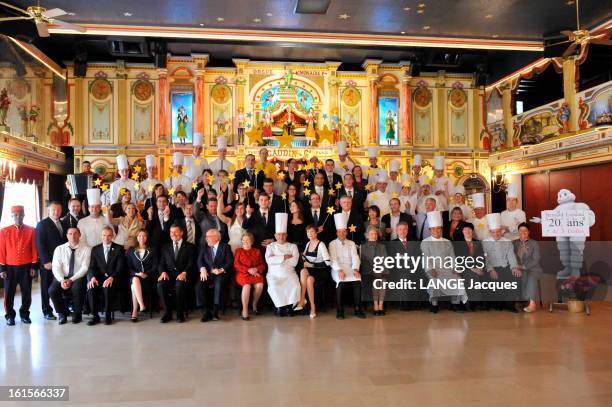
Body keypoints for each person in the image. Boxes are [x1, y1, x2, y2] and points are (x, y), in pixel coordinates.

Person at [419, 211, 468, 313]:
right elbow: (426, 257)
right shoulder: (425, 242)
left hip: (447, 268)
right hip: (433, 269)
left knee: (457, 279)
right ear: (430, 230)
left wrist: (455, 268)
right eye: (433, 229)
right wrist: (430, 269)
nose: (436, 231)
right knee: (434, 281)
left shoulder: (447, 242)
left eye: (438, 228)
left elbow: (452, 257)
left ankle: (455, 303)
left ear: (441, 229)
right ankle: (434, 304)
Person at [0, 206, 37, 325]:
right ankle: (10, 315)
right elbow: (1, 251)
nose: (18, 217)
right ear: (12, 216)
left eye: (20, 214)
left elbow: (34, 249)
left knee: (26, 292)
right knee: (9, 293)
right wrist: (2, 268)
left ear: (24, 215)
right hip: (10, 268)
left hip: (26, 267)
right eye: (15, 215)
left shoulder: (31, 230)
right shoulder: (4, 231)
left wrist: (33, 266)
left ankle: (24, 314)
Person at [49, 227, 91, 324]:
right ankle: (62, 313)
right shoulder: (59, 249)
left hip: (78, 277)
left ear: (80, 235)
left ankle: (77, 313)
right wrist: (61, 280)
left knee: (77, 288)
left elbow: (85, 268)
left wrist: (71, 279)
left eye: (75, 233)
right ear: (67, 236)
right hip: (62, 277)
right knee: (52, 290)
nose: (73, 236)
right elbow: (56, 267)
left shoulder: (86, 249)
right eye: (70, 234)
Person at [482, 213, 522, 313]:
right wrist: (491, 270)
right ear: (490, 232)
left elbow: (511, 256)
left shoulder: (507, 241)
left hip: (505, 267)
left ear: (501, 231)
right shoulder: (484, 242)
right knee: (490, 279)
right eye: (494, 232)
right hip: (491, 268)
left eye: (498, 232)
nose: (496, 234)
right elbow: (485, 258)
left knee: (515, 277)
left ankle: (510, 305)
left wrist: (514, 267)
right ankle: (496, 304)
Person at [86, 226, 125, 326]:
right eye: (104, 235)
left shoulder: (119, 248)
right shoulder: (95, 249)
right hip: (99, 278)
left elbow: (120, 267)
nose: (106, 238)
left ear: (112, 236)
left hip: (114, 278)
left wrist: (112, 277)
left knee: (107, 287)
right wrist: (92, 278)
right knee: (91, 288)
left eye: (108, 236)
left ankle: (108, 315)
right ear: (101, 236)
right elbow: (91, 267)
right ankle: (95, 316)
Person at [329, 213, 365, 319]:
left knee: (358, 279)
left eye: (344, 231)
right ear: (337, 233)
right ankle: (340, 310)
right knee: (340, 282)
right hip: (337, 268)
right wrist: (339, 270)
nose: (342, 233)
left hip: (350, 267)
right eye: (339, 232)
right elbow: (333, 260)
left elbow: (355, 257)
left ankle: (358, 308)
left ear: (347, 232)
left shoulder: (352, 243)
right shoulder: (332, 244)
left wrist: (355, 269)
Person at [157, 224, 195, 323]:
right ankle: (167, 313)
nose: (173, 234)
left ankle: (179, 313)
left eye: (175, 231)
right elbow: (161, 263)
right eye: (171, 232)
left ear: (181, 233)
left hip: (183, 275)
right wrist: (163, 272)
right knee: (160, 285)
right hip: (169, 275)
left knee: (179, 285)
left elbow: (191, 263)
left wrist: (184, 272)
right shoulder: (165, 247)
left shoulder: (190, 246)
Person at [36, 201, 67, 320]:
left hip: (61, 262)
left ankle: (62, 309)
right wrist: (45, 261)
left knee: (60, 285)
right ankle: (46, 310)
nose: (56, 212)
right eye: (53, 210)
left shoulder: (63, 223)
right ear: (49, 210)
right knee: (46, 287)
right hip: (48, 263)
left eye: (58, 210)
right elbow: (40, 244)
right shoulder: (42, 225)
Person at [265, 213, 300, 317]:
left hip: (289, 274)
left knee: (294, 286)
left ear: (286, 235)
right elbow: (268, 260)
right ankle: (280, 307)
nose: (281, 236)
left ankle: (290, 307)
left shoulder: (292, 246)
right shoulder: (270, 246)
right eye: (279, 234)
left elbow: (294, 262)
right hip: (274, 275)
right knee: (274, 287)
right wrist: (284, 257)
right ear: (275, 236)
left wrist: (276, 258)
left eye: (283, 234)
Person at [196, 229, 233, 322]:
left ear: (216, 237)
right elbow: (199, 261)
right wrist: (203, 269)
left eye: (208, 237)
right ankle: (206, 311)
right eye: (206, 237)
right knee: (198, 286)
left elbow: (230, 262)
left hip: (221, 274)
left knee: (219, 284)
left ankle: (216, 311)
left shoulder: (225, 247)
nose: (206, 239)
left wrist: (221, 270)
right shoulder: (204, 248)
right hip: (208, 273)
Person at [296, 225, 331, 319]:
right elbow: (305, 258)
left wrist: (312, 265)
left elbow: (328, 263)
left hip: (321, 271)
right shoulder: (308, 244)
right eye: (308, 232)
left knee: (303, 271)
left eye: (311, 231)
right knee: (309, 279)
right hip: (311, 272)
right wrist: (303, 259)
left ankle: (302, 299)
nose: (309, 234)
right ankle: (312, 306)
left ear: (316, 233)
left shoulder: (321, 244)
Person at [234, 232, 266, 320]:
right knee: (247, 286)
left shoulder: (257, 251)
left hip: (255, 273)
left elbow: (262, 264)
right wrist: (248, 270)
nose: (245, 242)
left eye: (247, 240)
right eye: (243, 240)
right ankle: (245, 310)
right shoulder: (238, 251)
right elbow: (236, 265)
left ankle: (254, 304)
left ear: (251, 242)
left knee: (260, 285)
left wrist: (256, 269)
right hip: (242, 274)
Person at [126, 229, 157, 322]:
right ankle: (142, 305)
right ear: (137, 237)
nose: (141, 237)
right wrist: (137, 273)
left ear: (147, 238)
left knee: (133, 285)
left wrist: (146, 274)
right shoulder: (131, 250)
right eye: (139, 236)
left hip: (148, 278)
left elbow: (155, 266)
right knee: (135, 279)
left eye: (144, 236)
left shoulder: (152, 250)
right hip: (135, 276)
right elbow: (128, 267)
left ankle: (135, 311)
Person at [454, 223, 486, 310]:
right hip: (463, 267)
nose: (468, 231)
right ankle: (473, 302)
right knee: (472, 275)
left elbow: (481, 256)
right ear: (462, 232)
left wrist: (480, 267)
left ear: (472, 231)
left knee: (484, 274)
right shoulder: (458, 243)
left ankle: (481, 302)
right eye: (465, 230)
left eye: (470, 230)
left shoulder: (477, 242)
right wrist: (473, 269)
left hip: (476, 267)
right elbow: (459, 259)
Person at [514, 223, 542, 313]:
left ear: (528, 232)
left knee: (531, 277)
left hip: (533, 268)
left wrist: (524, 266)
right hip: (518, 268)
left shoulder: (534, 243)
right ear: (518, 232)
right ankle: (520, 301)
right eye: (520, 230)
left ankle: (532, 303)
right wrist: (516, 267)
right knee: (520, 276)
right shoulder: (514, 243)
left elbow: (536, 259)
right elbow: (511, 256)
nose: (522, 232)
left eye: (525, 230)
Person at [360, 226, 388, 316]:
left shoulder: (382, 247)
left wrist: (381, 270)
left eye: (375, 234)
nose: (374, 235)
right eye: (371, 234)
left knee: (383, 281)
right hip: (367, 271)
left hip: (379, 270)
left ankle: (381, 305)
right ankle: (375, 304)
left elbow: (385, 260)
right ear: (367, 236)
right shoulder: (362, 247)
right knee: (375, 280)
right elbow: (362, 262)